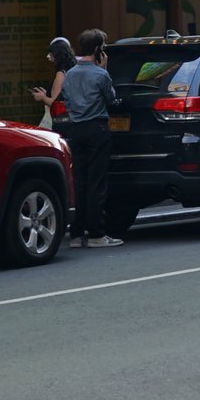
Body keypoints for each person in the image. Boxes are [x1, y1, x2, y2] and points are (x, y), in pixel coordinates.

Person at [34, 35, 119, 247]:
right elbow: (110, 98)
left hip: (76, 129)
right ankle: (97, 234)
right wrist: (105, 69)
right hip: (97, 127)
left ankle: (77, 233)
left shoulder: (69, 74)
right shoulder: (100, 74)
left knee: (80, 181)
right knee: (96, 182)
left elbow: (66, 101)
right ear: (98, 49)